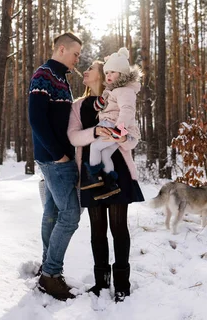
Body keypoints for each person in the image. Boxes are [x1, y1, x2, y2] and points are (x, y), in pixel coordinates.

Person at [67, 57, 145, 303]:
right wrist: (95, 132)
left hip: (117, 170)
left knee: (118, 227)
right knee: (98, 229)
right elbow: (73, 137)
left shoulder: (120, 96)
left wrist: (122, 138)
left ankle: (122, 283)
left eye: (91, 68)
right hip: (91, 172)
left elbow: (133, 136)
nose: (86, 71)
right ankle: (101, 282)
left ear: (104, 75)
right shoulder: (79, 105)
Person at [28, 31, 82, 301]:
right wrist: (59, 155)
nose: (77, 59)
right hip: (54, 160)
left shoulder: (62, 79)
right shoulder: (44, 75)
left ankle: (46, 267)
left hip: (59, 157)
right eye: (75, 54)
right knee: (70, 216)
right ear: (61, 49)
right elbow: (36, 120)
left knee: (51, 212)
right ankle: (51, 274)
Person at [85, 47, 141, 200]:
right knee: (104, 153)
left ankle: (95, 177)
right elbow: (106, 106)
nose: (108, 75)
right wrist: (100, 104)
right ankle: (110, 183)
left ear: (122, 74)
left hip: (114, 127)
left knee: (95, 147)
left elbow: (127, 111)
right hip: (111, 126)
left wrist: (119, 130)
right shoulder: (113, 91)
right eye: (107, 72)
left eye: (113, 72)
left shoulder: (125, 91)